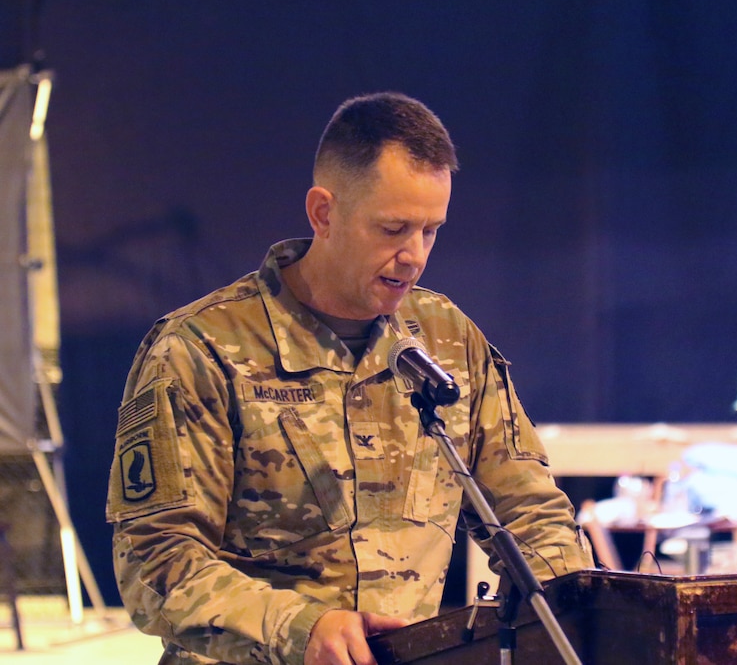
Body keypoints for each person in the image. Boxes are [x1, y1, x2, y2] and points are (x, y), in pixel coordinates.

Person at [106, 92, 593, 665]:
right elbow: (155, 560)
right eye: (393, 228)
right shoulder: (202, 350)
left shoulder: (447, 340)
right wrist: (300, 628)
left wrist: (576, 611)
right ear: (323, 213)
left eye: (431, 231)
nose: (414, 255)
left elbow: (530, 514)